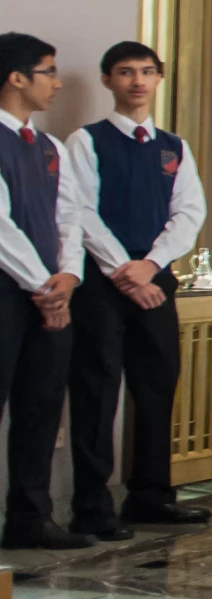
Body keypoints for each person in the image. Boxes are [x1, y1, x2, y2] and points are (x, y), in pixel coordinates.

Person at [62, 43, 210, 540]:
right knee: (97, 390)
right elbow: (81, 212)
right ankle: (92, 506)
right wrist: (124, 269)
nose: (137, 81)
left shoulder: (174, 146)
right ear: (108, 81)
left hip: (154, 278)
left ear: (159, 78)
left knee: (156, 385)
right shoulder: (87, 141)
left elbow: (189, 213)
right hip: (102, 284)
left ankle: (151, 495)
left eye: (147, 72)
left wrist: (150, 266)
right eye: (125, 72)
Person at [0, 33, 92, 551]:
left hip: (49, 293)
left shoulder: (51, 147)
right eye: (48, 72)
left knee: (40, 404)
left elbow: (69, 218)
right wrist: (43, 285)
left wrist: (69, 278)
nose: (57, 83)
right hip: (11, 291)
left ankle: (30, 518)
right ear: (16, 77)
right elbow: (1, 227)